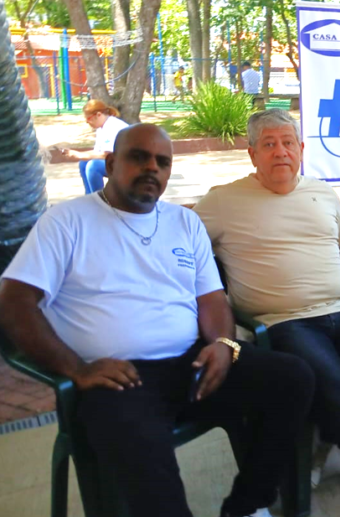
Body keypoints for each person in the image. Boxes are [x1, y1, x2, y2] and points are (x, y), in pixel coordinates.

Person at [0, 124, 314, 517]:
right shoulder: (66, 221)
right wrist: (76, 369)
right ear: (110, 164)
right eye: (139, 157)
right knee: (146, 462)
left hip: (193, 363)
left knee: (293, 379)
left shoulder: (184, 222)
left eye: (162, 162)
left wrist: (223, 344)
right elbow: (14, 302)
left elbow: (212, 298)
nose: (152, 168)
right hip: (119, 380)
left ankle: (247, 504)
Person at [193, 109, 340, 494]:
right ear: (252, 154)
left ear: (301, 149)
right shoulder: (223, 201)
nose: (280, 151)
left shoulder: (320, 191)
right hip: (281, 319)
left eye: (288, 143)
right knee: (333, 381)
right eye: (269, 144)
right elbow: (181, 241)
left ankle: (326, 425)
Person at [61, 99, 129, 194]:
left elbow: (106, 155)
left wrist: (79, 155)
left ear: (98, 115)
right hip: (120, 162)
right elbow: (97, 152)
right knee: (84, 162)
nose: (87, 122)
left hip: (130, 165)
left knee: (94, 166)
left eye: (88, 119)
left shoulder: (112, 126)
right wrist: (78, 154)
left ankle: (99, 199)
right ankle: (89, 196)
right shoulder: (101, 127)